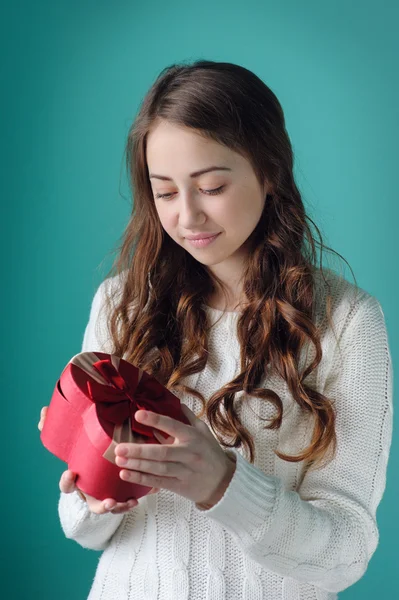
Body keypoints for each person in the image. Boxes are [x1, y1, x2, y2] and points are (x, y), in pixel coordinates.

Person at [38, 60, 393, 600]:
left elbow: (345, 555)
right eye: (165, 192)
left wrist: (223, 484)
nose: (187, 217)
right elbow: (81, 528)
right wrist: (92, 491)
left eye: (211, 186)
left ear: (269, 172)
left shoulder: (347, 322)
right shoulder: (122, 302)